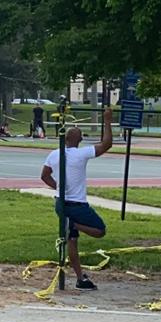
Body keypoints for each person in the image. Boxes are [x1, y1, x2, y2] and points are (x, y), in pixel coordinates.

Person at [41, 106, 114, 290]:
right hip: (77, 205)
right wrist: (107, 120)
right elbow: (106, 144)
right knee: (100, 230)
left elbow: (44, 175)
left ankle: (80, 278)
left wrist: (59, 187)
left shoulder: (54, 154)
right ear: (80, 140)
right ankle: (72, 225)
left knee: (72, 240)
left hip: (60, 203)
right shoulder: (81, 153)